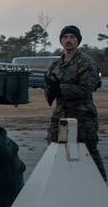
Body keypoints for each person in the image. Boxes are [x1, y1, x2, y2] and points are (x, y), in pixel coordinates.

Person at [44, 25, 106, 181]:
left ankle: (101, 186)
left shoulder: (86, 63)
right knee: (54, 150)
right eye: (65, 37)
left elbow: (85, 89)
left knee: (89, 152)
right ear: (61, 41)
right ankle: (62, 182)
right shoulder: (55, 65)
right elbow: (48, 87)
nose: (68, 40)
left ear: (78, 40)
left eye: (72, 37)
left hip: (82, 115)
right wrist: (51, 92)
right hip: (60, 115)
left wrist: (61, 88)